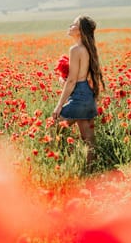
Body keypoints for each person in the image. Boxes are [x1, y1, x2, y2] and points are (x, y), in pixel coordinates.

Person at [52, 15, 105, 168]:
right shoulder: (88, 49)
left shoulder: (75, 49)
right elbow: (80, 76)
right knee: (88, 137)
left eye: (73, 24)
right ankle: (92, 169)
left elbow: (72, 81)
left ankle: (65, 160)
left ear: (80, 30)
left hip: (79, 95)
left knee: (53, 125)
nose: (70, 26)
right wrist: (66, 80)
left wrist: (59, 105)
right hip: (87, 95)